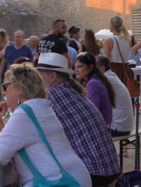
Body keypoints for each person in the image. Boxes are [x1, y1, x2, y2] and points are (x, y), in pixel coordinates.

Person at [0, 64, 92, 187]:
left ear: (19, 88)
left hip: (57, 181)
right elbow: (4, 150)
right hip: (72, 177)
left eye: (6, 86)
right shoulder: (40, 107)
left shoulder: (25, 113)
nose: (4, 93)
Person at [37, 53, 120, 187]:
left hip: (94, 174)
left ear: (52, 76)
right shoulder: (71, 90)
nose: (37, 79)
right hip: (107, 169)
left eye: (39, 74)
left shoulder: (52, 95)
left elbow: (29, 130)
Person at [96, 56, 134, 138]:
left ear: (102, 69)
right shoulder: (111, 76)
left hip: (117, 127)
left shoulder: (105, 79)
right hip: (123, 126)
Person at [75, 53, 116, 126]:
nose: (76, 70)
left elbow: (92, 111)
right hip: (104, 124)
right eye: (76, 67)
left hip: (98, 127)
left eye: (80, 66)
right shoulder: (96, 79)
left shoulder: (92, 83)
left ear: (90, 67)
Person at [102, 15, 135, 84]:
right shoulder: (128, 40)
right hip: (126, 71)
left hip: (114, 72)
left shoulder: (109, 41)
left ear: (112, 26)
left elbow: (105, 61)